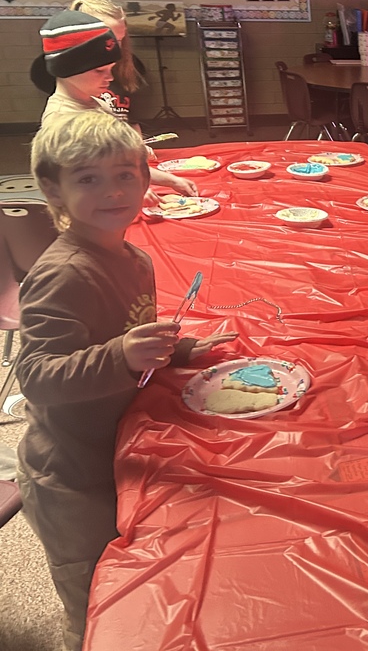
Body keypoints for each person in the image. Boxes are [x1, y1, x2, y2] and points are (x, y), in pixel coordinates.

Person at [15, 111, 237, 651]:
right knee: (95, 599)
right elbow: (37, 376)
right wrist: (121, 355)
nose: (112, 191)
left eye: (124, 175)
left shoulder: (134, 257)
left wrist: (176, 350)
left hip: (121, 446)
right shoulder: (63, 273)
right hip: (71, 473)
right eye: (87, 178)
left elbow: (129, 332)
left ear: (145, 177)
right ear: (54, 188)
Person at [36, 8, 196, 200]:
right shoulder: (62, 120)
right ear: (67, 69)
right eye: (99, 71)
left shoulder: (97, 103)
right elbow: (81, 183)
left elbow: (114, 164)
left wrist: (169, 180)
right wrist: (129, 191)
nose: (109, 77)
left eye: (111, 69)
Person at [31, 0, 147, 127]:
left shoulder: (101, 103)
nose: (115, 47)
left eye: (119, 40)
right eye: (108, 39)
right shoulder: (63, 113)